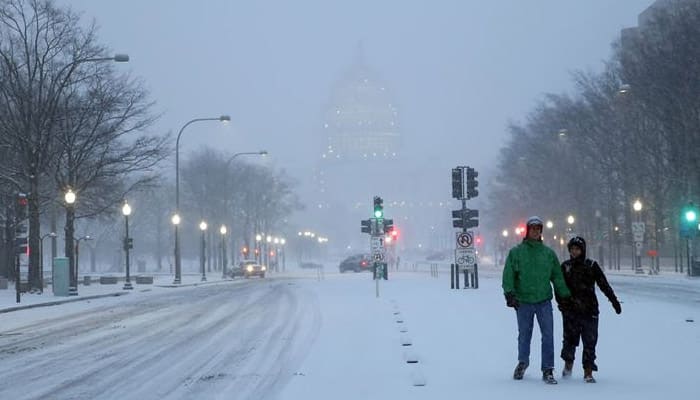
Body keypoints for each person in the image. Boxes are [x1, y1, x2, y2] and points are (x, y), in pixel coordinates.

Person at [502, 216, 571, 384]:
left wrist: (565, 295)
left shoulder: (548, 254)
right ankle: (522, 362)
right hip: (523, 301)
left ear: (541, 231)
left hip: (543, 301)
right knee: (524, 335)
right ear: (527, 231)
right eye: (532, 228)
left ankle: (547, 369)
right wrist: (509, 293)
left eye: (538, 229)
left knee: (548, 335)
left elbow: (557, 277)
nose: (535, 231)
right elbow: (508, 274)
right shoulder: (516, 253)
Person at [559, 236, 622, 383]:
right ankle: (568, 366)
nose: (575, 252)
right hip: (571, 311)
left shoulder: (591, 266)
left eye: (577, 249)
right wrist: (563, 305)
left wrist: (614, 301)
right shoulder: (565, 267)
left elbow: (603, 284)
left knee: (590, 342)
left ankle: (588, 370)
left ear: (583, 250)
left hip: (589, 310)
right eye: (572, 249)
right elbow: (559, 287)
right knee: (569, 341)